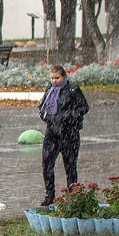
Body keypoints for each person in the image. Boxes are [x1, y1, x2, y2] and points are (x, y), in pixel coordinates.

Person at [38, 64, 89, 207]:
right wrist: (47, 117)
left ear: (64, 76)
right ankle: (50, 195)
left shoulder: (72, 89)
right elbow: (42, 107)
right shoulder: (50, 90)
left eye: (57, 78)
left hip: (69, 133)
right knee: (47, 164)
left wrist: (68, 116)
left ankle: (73, 195)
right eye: (52, 78)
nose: (54, 81)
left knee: (70, 166)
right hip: (52, 132)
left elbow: (84, 107)